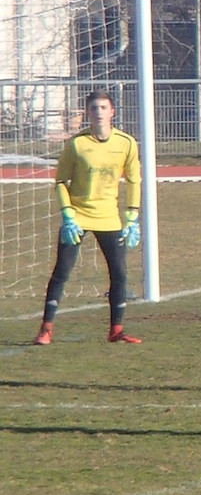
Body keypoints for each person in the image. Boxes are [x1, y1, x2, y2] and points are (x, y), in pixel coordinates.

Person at [34, 89, 143, 346]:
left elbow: (134, 179)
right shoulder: (76, 144)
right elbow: (61, 181)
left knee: (119, 273)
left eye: (103, 108)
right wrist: (67, 214)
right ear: (87, 113)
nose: (98, 113)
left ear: (112, 112)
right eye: (94, 108)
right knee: (62, 271)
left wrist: (132, 216)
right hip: (78, 217)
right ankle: (46, 329)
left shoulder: (126, 143)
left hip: (109, 218)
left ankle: (116, 330)